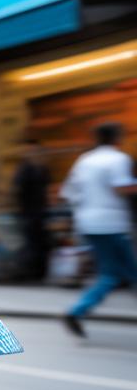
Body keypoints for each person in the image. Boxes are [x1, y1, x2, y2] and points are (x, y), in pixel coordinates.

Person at [60, 122, 137, 336]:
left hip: (89, 224)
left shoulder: (84, 160)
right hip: (113, 223)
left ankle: (78, 310)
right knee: (128, 273)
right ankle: (77, 311)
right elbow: (122, 187)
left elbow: (68, 192)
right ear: (117, 138)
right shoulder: (118, 158)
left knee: (110, 274)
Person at [12, 139, 50, 281]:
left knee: (39, 242)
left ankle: (39, 272)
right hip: (28, 212)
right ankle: (30, 273)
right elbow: (18, 190)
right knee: (31, 243)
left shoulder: (42, 168)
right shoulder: (24, 169)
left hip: (40, 211)